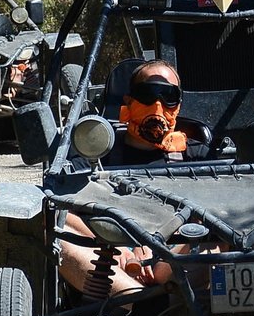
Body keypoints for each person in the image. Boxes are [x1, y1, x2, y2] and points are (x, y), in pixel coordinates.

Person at [58, 61, 209, 302]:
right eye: (147, 94)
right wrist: (115, 247)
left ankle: (151, 305)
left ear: (178, 104)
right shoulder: (96, 154)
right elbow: (59, 203)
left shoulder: (198, 155)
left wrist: (159, 247)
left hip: (174, 259)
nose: (157, 105)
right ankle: (146, 305)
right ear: (128, 101)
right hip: (112, 262)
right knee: (56, 228)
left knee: (222, 234)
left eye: (168, 96)